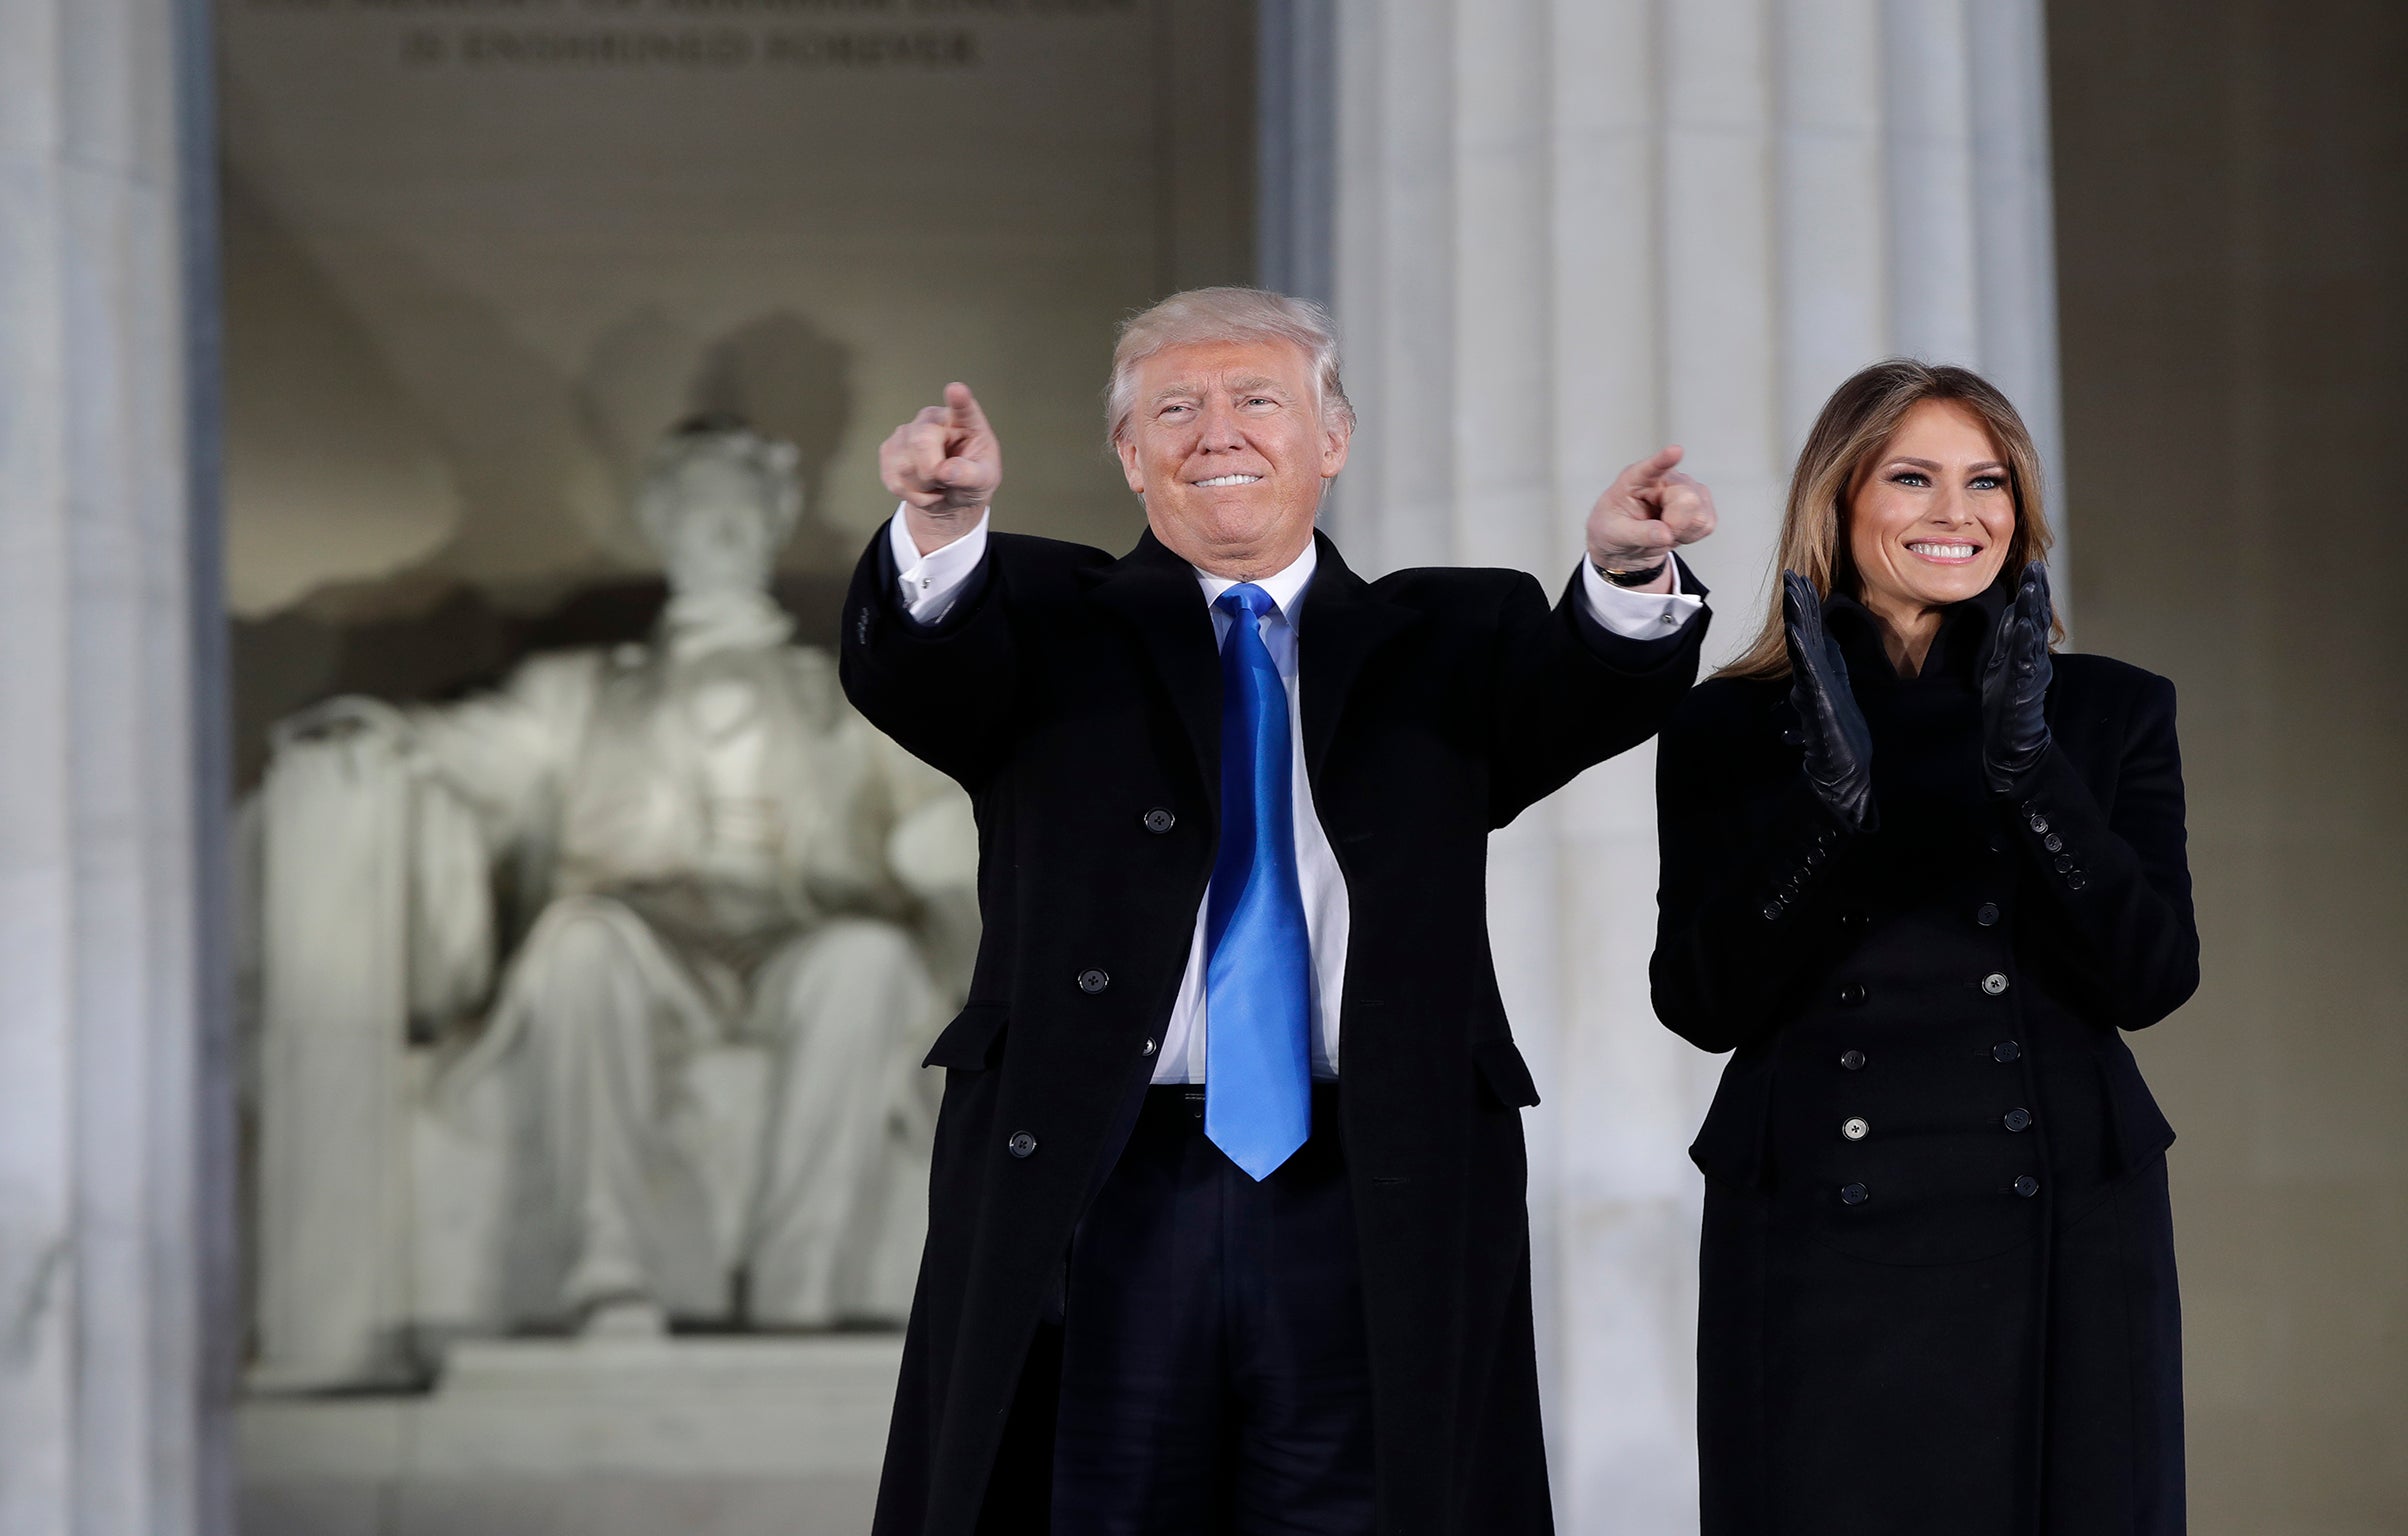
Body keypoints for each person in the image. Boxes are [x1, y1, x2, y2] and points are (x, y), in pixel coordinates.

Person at [843, 287, 1718, 1535]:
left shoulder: (1446, 635)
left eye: (1257, 400)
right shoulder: (1041, 620)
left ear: (1332, 440)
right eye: (1176, 409)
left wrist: (1628, 573)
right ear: (1128, 454)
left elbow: (1584, 690)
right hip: (1110, 1183)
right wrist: (939, 520)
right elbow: (918, 669)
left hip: (1372, 1181)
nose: (1219, 432)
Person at [1650, 360, 2198, 1535]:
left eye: (1986, 482)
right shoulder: (1727, 725)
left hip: (2059, 1224)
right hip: (1813, 1243)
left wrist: (2029, 770)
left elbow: (2152, 977)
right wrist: (1824, 805)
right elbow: (1698, 1001)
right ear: (1837, 505)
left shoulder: (2109, 709)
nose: (1958, 514)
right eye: (1912, 478)